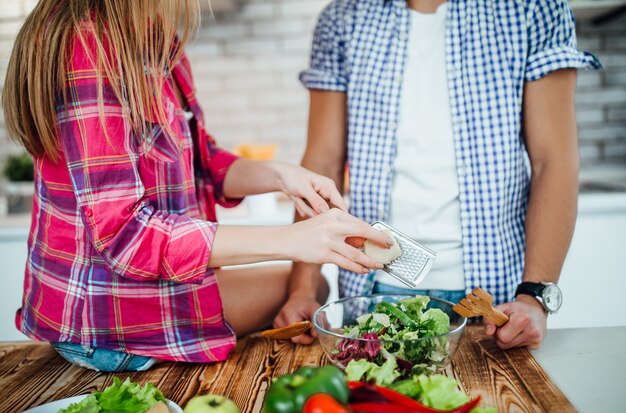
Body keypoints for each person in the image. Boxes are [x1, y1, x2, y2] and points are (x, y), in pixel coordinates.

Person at [1, 0, 394, 372]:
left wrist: (281, 175)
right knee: (311, 288)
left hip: (139, 293)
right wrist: (292, 239)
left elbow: (199, 161)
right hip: (102, 325)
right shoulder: (86, 48)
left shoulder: (154, 35)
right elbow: (125, 235)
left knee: (310, 289)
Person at [274, 0, 601, 349]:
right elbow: (322, 163)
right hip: (372, 291)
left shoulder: (535, 8)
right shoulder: (342, 18)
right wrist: (303, 290)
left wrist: (535, 296)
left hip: (493, 302)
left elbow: (553, 161)